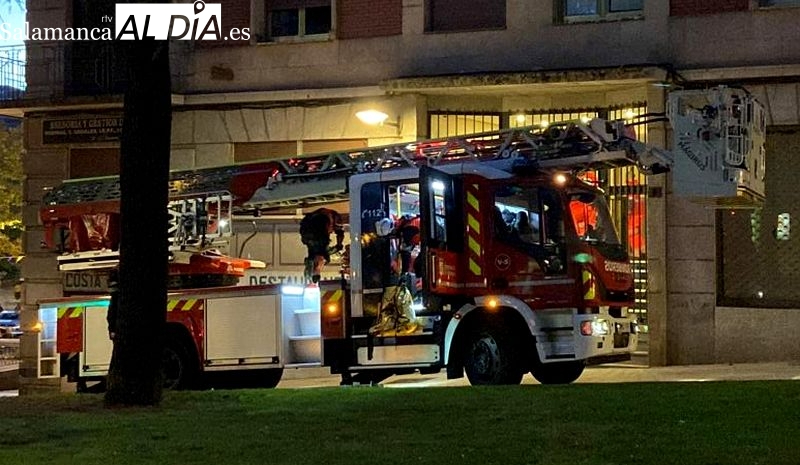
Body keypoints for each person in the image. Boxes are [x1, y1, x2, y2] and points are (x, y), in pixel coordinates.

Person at [300, 208, 345, 283]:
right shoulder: (319, 250)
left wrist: (338, 246)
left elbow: (320, 258)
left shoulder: (316, 244)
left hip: (317, 222)